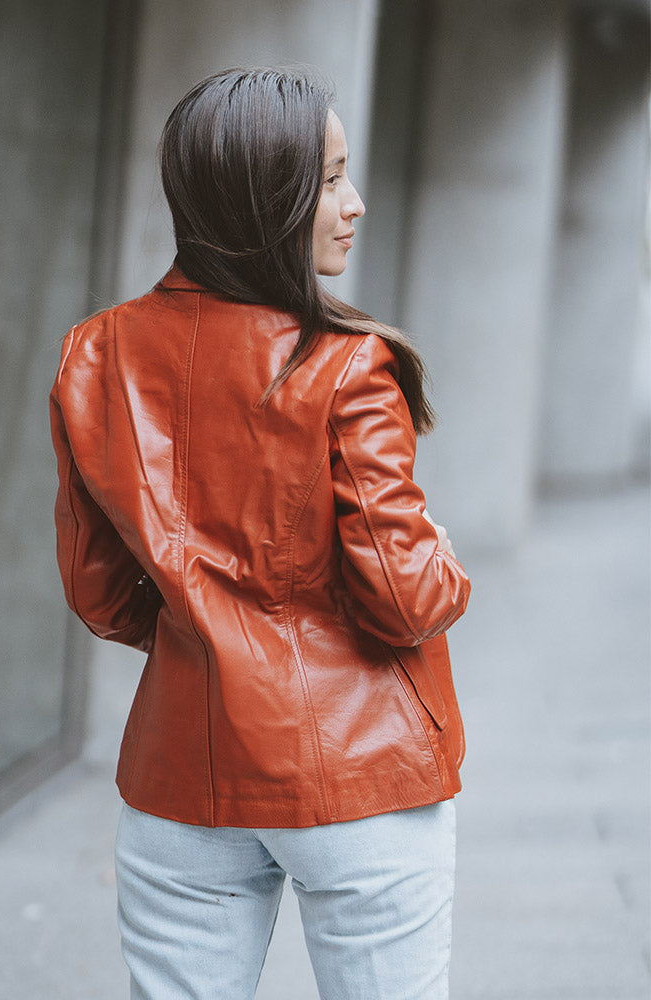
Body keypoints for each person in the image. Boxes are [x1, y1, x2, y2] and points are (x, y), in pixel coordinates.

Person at [49, 66, 471, 1000]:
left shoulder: (97, 356)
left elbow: (101, 595)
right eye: (328, 179)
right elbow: (406, 602)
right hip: (361, 779)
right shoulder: (349, 367)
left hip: (182, 774)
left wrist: (206, 623)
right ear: (262, 195)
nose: (353, 203)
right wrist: (443, 554)